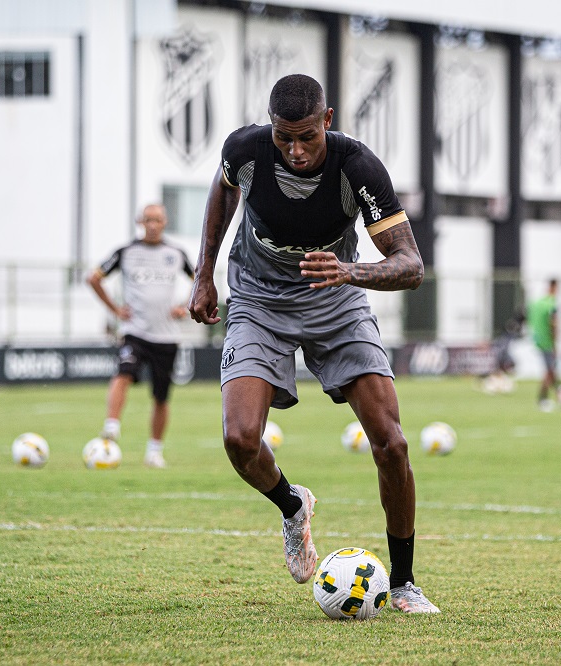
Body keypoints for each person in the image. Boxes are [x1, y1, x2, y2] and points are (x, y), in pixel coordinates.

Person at [187, 74, 439, 613]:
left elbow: (410, 264)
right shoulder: (245, 149)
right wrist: (204, 273)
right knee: (239, 439)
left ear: (326, 121)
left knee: (391, 443)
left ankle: (404, 583)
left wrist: (350, 271)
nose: (296, 151)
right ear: (271, 128)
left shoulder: (358, 167)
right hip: (258, 299)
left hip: (336, 298)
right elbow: (222, 191)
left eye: (307, 137)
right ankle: (292, 505)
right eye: (285, 139)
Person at [88, 203, 194, 468]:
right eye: (148, 220)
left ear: (165, 222)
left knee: (161, 397)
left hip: (166, 337)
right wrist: (114, 309)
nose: (153, 224)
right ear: (140, 222)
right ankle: (112, 426)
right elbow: (93, 278)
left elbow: (200, 279)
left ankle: (154, 451)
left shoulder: (176, 253)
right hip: (135, 332)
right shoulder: (126, 253)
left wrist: (186, 306)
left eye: (157, 220)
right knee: (123, 373)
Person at [528, 278, 559, 412]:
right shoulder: (551, 304)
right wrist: (554, 343)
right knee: (549, 370)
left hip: (538, 339)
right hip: (547, 341)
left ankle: (559, 393)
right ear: (554, 287)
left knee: (551, 369)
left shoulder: (537, 303)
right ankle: (542, 398)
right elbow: (553, 324)